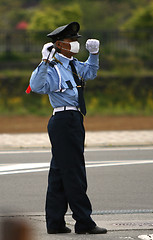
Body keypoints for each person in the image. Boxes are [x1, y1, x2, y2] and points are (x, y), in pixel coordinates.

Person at [28, 21, 107, 235]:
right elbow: (36, 87)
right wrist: (44, 60)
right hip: (63, 120)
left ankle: (55, 223)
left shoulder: (72, 65)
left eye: (75, 40)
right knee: (74, 172)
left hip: (73, 118)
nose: (75, 44)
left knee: (59, 173)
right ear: (59, 45)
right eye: (71, 41)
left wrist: (94, 54)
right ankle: (84, 221)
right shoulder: (52, 67)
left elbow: (90, 73)